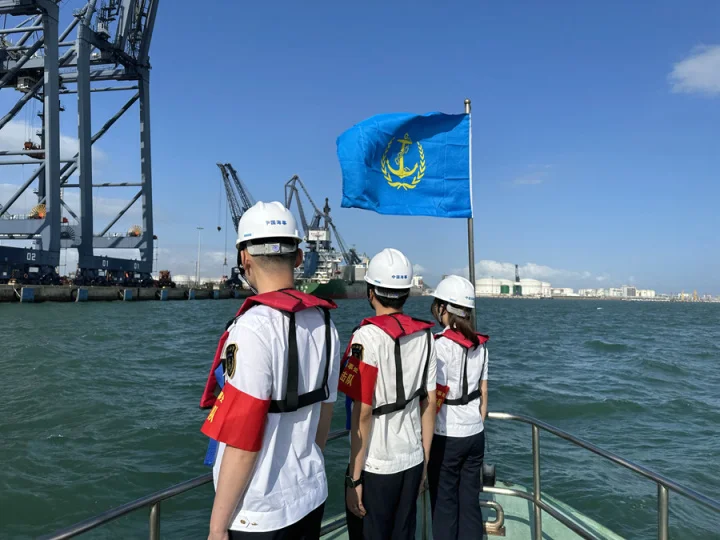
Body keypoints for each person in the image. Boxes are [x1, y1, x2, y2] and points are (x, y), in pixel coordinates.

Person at [199, 201, 341, 540]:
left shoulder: (251, 328)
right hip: (311, 494)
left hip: (259, 512)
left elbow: (243, 436)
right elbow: (325, 412)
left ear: (244, 259)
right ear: (300, 257)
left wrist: (217, 526)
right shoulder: (326, 324)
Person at [338, 248, 437, 540]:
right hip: (413, 459)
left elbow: (363, 412)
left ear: (371, 292)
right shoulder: (426, 336)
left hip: (376, 465)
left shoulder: (365, 338)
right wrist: (425, 462)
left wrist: (354, 479)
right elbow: (429, 403)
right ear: (406, 293)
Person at [426, 275, 489, 540]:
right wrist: (476, 423)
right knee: (470, 504)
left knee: (444, 505)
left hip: (447, 436)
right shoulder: (480, 346)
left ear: (444, 308)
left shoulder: (438, 345)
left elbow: (432, 401)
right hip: (475, 434)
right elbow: (484, 395)